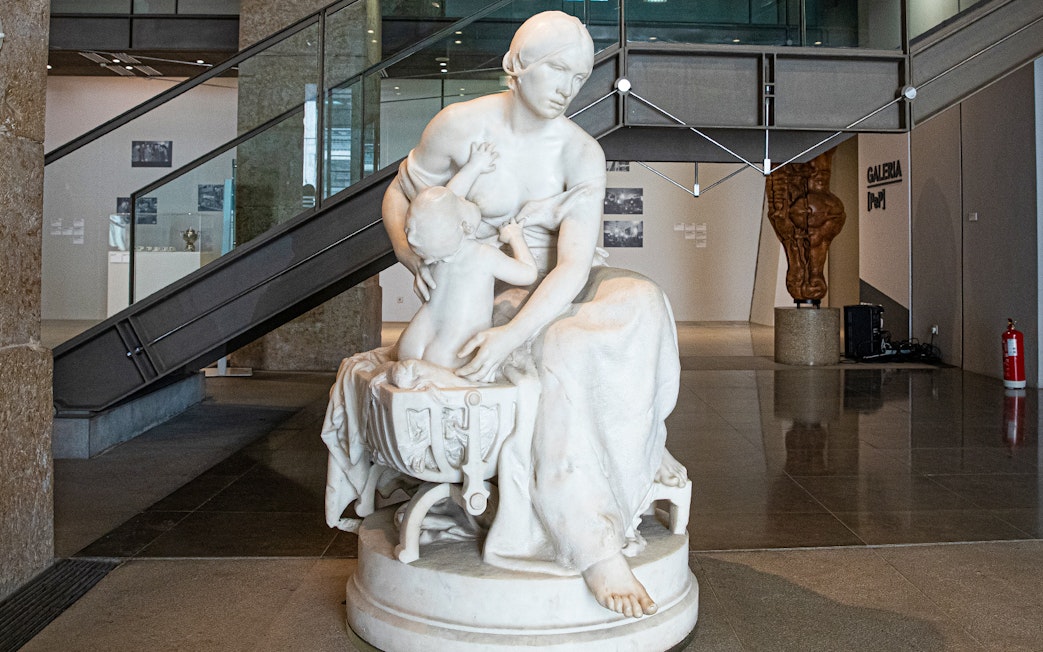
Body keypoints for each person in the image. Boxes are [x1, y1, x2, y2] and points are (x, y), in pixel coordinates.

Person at [376, 10, 686, 619]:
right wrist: (412, 254)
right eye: (558, 70)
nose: (570, 86)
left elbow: (572, 266)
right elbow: (401, 195)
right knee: (567, 348)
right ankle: (591, 543)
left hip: (562, 279)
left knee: (644, 301)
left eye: (581, 74)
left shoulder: (581, 152)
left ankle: (639, 439)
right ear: (516, 65)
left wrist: (512, 338)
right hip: (498, 286)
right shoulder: (458, 126)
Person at [394, 141, 537, 371]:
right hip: (452, 349)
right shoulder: (483, 255)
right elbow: (528, 273)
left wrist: (474, 166)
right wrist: (516, 237)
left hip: (415, 341)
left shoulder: (441, 257)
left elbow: (448, 197)